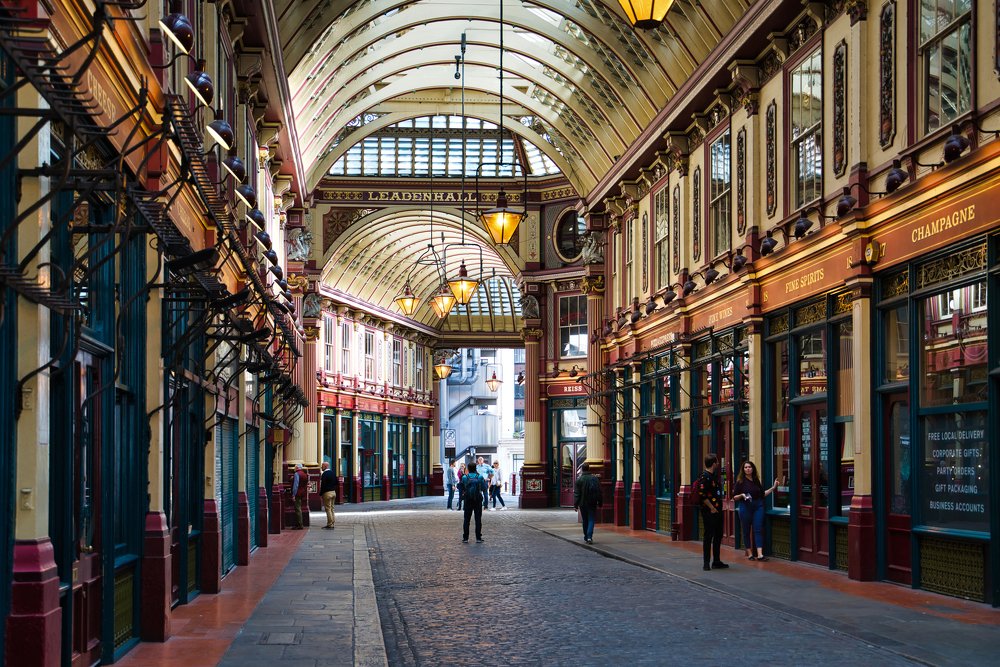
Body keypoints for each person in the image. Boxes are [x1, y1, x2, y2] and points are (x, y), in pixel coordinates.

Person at [732, 460, 781, 561]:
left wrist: (773, 487)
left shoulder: (756, 480)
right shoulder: (740, 481)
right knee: (746, 531)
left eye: (749, 467)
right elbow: (734, 497)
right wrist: (741, 495)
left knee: (758, 529)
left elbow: (762, 494)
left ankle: (760, 554)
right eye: (746, 467)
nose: (748, 469)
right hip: (745, 507)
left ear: (753, 468)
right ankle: (750, 553)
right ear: (743, 469)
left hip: (758, 506)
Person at [698, 454, 727, 571]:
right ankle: (706, 562)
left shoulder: (714, 476)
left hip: (717, 509)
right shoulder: (704, 477)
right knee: (708, 536)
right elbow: (702, 495)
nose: (718, 464)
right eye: (717, 462)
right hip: (709, 511)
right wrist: (711, 508)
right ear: (713, 463)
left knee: (718, 535)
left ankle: (716, 560)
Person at [573, 470, 602, 544]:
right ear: (589, 469)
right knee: (591, 519)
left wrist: (575, 505)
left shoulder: (579, 480)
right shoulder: (594, 479)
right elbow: (599, 491)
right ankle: (589, 537)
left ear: (582, 470)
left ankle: (586, 536)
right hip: (592, 502)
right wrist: (600, 502)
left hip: (582, 504)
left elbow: (577, 494)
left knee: (585, 520)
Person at [461, 464, 487, 543]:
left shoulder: (464, 477)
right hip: (477, 500)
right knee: (478, 519)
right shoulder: (480, 477)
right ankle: (478, 538)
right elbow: (483, 488)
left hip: (468, 500)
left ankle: (465, 538)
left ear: (468, 469)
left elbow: (462, 488)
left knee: (466, 519)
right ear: (475, 468)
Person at [319, 461, 337, 530]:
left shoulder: (324, 474)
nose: (321, 467)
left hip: (327, 493)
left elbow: (323, 485)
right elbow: (336, 482)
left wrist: (321, 494)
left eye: (322, 466)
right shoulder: (333, 473)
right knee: (332, 508)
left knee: (328, 509)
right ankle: (332, 522)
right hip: (333, 492)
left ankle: (330, 524)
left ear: (325, 466)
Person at [291, 463, 309, 530]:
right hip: (302, 493)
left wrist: (293, 495)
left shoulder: (296, 474)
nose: (294, 468)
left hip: (297, 493)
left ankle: (300, 524)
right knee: (299, 508)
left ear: (297, 468)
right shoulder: (304, 474)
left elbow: (296, 485)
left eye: (295, 467)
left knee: (297, 509)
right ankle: (299, 524)